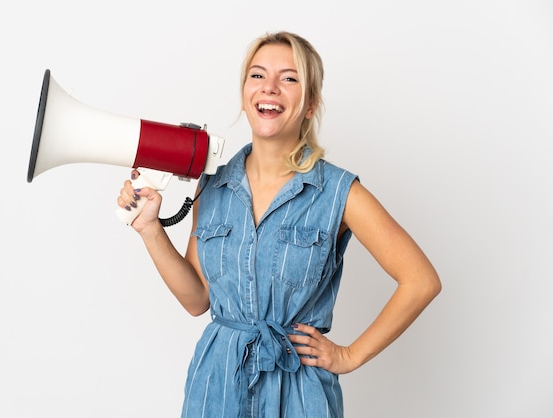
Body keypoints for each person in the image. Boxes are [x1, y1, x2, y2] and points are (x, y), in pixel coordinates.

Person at [117, 31, 441, 418]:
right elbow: (197, 300)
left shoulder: (339, 192)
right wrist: (151, 229)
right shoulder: (212, 184)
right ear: (244, 94)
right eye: (257, 76)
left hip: (299, 393)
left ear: (310, 105)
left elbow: (421, 280)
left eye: (289, 78)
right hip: (216, 388)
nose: (269, 87)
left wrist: (349, 355)